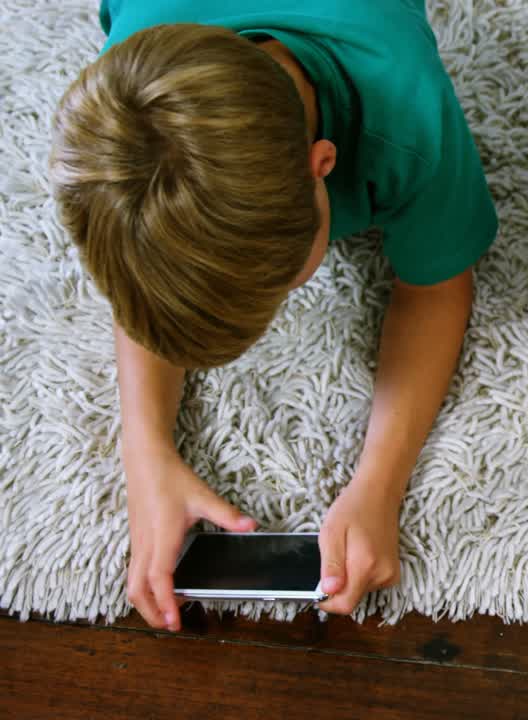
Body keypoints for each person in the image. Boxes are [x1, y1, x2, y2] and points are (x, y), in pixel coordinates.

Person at [49, 1, 497, 629]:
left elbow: (436, 288)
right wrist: (144, 453)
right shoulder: (120, 112)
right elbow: (144, 276)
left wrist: (380, 484)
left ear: (325, 167)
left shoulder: (409, 113)